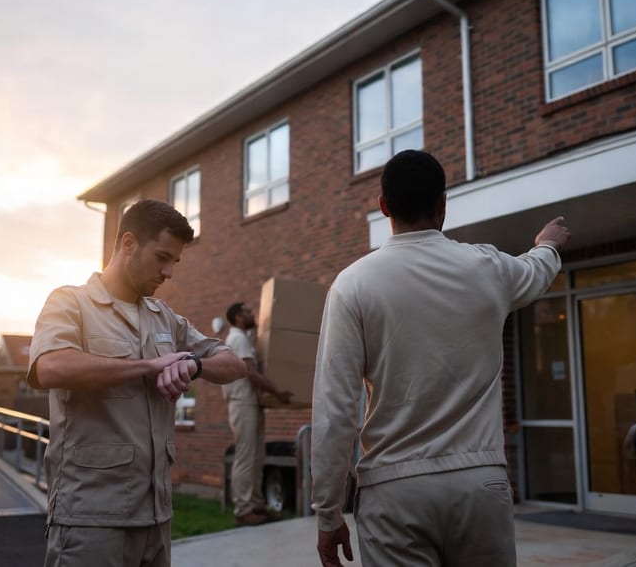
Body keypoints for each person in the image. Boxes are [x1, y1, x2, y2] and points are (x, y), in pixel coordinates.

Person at [310, 150, 571, 567]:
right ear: (442, 204)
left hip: (394, 491)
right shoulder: (487, 267)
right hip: (481, 484)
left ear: (383, 207)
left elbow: (334, 408)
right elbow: (535, 270)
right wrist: (548, 246)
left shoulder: (352, 284)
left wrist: (328, 512)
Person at [28, 199, 246, 567]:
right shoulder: (71, 303)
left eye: (175, 262)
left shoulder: (165, 318)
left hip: (156, 519)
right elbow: (51, 367)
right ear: (128, 243)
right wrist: (148, 366)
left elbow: (233, 363)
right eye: (162, 257)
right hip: (90, 520)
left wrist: (193, 364)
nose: (169, 272)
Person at [222, 301, 293, 527]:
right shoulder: (238, 339)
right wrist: (277, 392)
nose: (252, 314)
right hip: (242, 402)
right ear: (237, 317)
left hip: (251, 402)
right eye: (247, 312)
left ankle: (256, 505)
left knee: (256, 456)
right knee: (245, 457)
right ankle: (243, 511)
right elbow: (251, 374)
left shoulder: (244, 338)